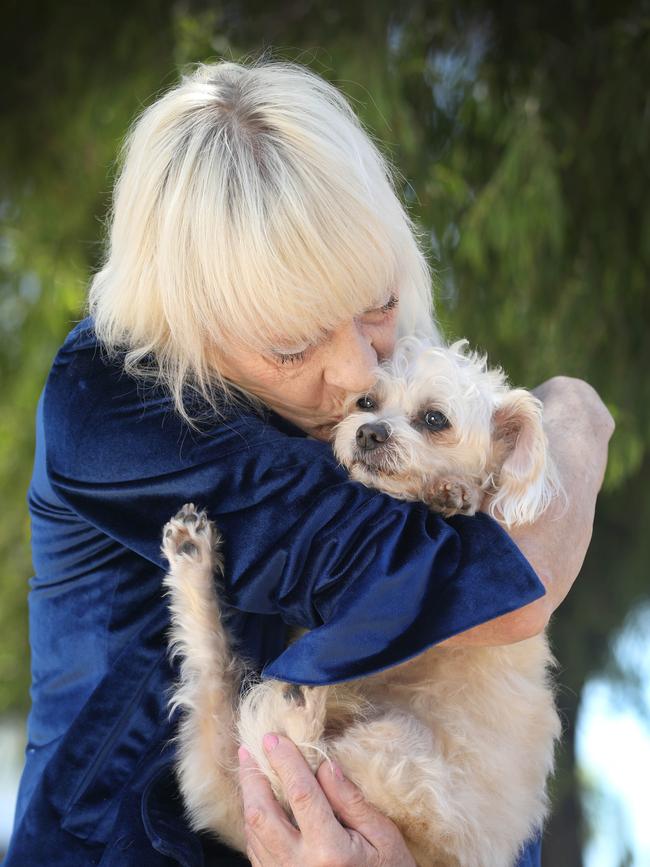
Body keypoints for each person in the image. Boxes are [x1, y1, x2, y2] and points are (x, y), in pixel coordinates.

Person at [6, 57, 613, 867]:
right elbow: (490, 594)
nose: (361, 373)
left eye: (378, 303)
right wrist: (577, 415)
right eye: (294, 344)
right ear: (194, 324)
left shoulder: (387, 391)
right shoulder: (119, 396)